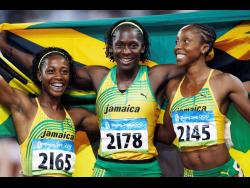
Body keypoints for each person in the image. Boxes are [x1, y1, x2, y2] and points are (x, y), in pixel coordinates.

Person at [0, 20, 184, 177]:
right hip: (106, 169)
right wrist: (5, 46)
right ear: (110, 47)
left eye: (133, 45)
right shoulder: (98, 76)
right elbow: (54, 70)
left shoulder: (157, 75)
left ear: (142, 47)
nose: (126, 51)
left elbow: (192, 68)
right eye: (119, 45)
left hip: (146, 168)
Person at [158, 24, 250, 177]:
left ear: (204, 48)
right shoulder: (173, 88)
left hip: (224, 172)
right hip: (190, 174)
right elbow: (168, 135)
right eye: (176, 42)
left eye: (186, 41)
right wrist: (136, 124)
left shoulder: (224, 81)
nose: (177, 47)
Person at [0, 46, 98, 177]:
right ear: (40, 75)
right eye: (51, 71)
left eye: (64, 71)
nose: (58, 77)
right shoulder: (25, 107)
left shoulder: (76, 117)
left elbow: (115, 125)